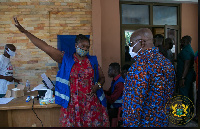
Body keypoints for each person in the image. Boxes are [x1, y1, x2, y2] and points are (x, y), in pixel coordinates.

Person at [13, 17, 109, 127]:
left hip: (91, 105)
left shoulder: (92, 61)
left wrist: (98, 85)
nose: (85, 49)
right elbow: (45, 47)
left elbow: (102, 78)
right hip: (72, 105)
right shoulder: (66, 59)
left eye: (87, 47)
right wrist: (25, 32)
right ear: (76, 46)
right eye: (83, 46)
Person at [122, 28, 175, 127]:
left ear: (141, 43)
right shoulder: (167, 63)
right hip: (162, 121)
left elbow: (133, 106)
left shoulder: (139, 67)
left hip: (144, 123)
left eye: (131, 44)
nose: (130, 48)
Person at [104, 63, 124, 127]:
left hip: (119, 109)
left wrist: (103, 96)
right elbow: (109, 92)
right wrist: (99, 90)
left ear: (115, 71)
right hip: (115, 107)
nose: (108, 72)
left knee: (103, 113)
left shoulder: (120, 83)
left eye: (110, 70)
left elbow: (112, 99)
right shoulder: (115, 81)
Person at [177, 35, 196, 103]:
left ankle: (186, 113)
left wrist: (183, 78)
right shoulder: (189, 49)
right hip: (188, 76)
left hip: (186, 77)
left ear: (185, 41)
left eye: (182, 41)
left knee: (184, 95)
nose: (180, 43)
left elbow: (187, 64)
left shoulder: (186, 50)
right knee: (189, 94)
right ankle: (189, 112)